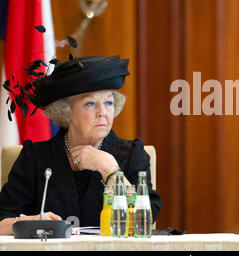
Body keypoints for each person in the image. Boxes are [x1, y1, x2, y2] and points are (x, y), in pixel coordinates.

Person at [0, 55, 162, 235]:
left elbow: (145, 220)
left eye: (108, 102)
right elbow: (1, 221)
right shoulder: (35, 158)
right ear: (66, 112)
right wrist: (29, 222)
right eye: (90, 103)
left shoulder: (131, 155)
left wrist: (110, 170)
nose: (103, 113)